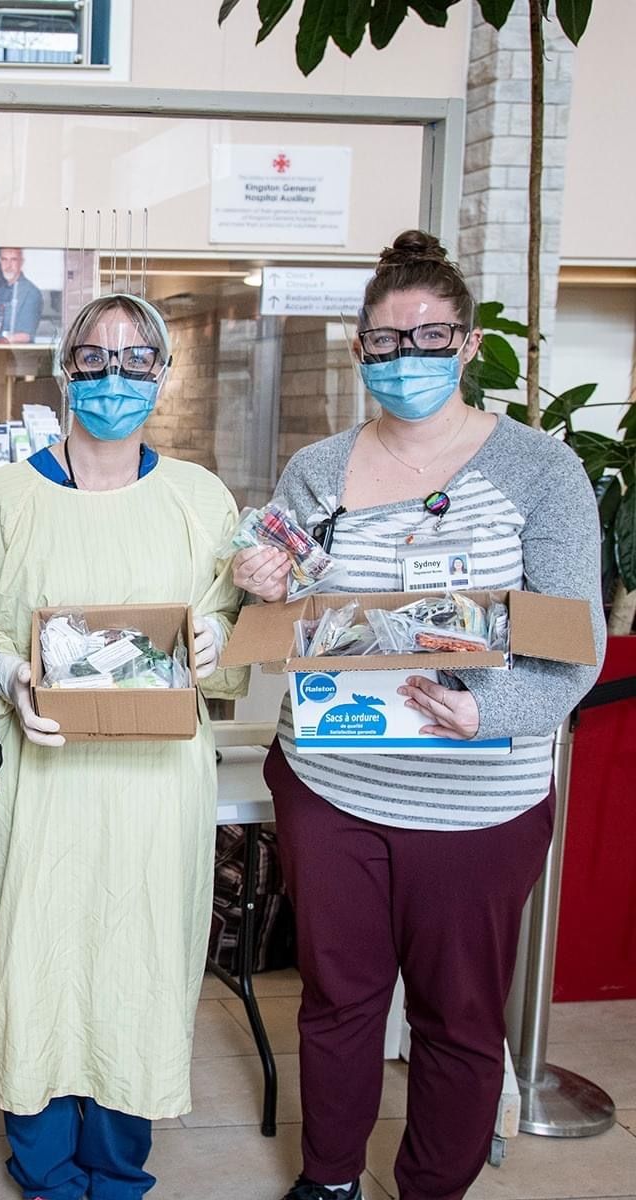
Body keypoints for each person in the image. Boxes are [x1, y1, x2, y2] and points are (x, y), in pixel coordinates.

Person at [233, 231, 605, 1200]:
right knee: (337, 1002)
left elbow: (573, 646)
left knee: (459, 1014)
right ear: (359, 349)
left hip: (479, 801)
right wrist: (259, 584)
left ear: (468, 342)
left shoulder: (539, 472)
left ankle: (433, 1186)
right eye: (388, 342)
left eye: (430, 337)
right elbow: (276, 622)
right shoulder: (317, 471)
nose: (408, 359)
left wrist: (486, 713)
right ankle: (327, 1179)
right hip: (336, 788)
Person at [0, 292, 246, 1200]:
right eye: (93, 355)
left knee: (137, 963)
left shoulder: (200, 499)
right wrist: (9, 677)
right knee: (30, 956)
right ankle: (42, 1168)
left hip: (156, 790)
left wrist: (217, 639)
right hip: (41, 779)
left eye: (134, 357)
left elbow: (230, 619)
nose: (112, 375)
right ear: (63, 367)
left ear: (163, 373)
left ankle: (117, 1172)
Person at [0, 248, 42, 344]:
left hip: (18, 354)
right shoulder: (2, 291)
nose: (8, 265)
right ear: (0, 261)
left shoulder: (31, 292)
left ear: (21, 262)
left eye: (13, 259)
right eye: (4, 259)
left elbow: (26, 336)